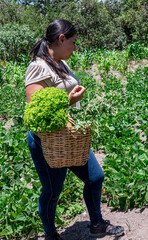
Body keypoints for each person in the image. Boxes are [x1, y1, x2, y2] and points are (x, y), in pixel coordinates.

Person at [25, 19, 124, 240]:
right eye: (73, 42)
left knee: (95, 177)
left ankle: (97, 223)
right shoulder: (38, 66)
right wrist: (68, 101)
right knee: (52, 191)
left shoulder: (60, 62)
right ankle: (51, 234)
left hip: (70, 137)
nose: (75, 47)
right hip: (48, 141)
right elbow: (34, 111)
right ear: (61, 39)